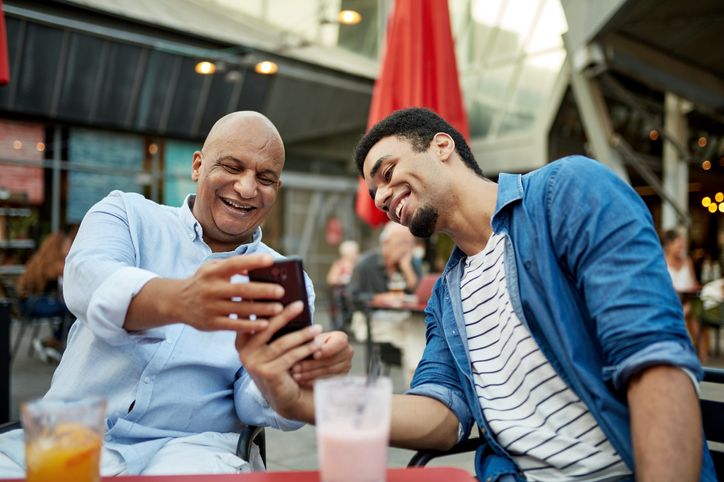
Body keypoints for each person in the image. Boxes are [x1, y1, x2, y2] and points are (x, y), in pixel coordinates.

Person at [235, 107, 715, 482]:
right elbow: (443, 416)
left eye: (386, 171)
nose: (381, 199)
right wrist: (298, 402)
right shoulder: (446, 296)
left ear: (442, 146)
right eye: (375, 192)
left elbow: (654, 358)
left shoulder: (565, 194)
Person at [0, 111, 352, 477]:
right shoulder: (128, 214)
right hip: (67, 435)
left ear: (275, 190)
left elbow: (253, 401)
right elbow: (84, 281)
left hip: (191, 448)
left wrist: (294, 379)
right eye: (232, 167)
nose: (247, 189)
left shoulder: (282, 278)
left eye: (265, 178)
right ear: (198, 166)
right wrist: (179, 301)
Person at [16, 230, 74, 362]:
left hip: (27, 304)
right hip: (35, 304)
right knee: (72, 309)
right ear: (58, 247)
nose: (70, 248)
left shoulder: (39, 261)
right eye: (67, 245)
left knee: (67, 308)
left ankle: (53, 342)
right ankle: (54, 342)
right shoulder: (56, 266)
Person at [348, 221, 421, 305]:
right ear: (385, 242)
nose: (406, 248)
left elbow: (420, 295)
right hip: (373, 315)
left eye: (410, 243)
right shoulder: (365, 264)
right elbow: (352, 296)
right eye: (401, 242)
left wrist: (407, 268)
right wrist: (382, 298)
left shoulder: (410, 263)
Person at [663, 228, 706, 361]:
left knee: (693, 309)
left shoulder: (687, 261)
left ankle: (700, 354)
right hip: (669, 300)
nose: (682, 249)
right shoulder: (662, 261)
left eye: (683, 246)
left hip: (687, 300)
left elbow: (693, 283)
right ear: (669, 244)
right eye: (679, 245)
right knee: (684, 310)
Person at [326, 240, 359, 332]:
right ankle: (343, 323)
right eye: (353, 252)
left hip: (355, 291)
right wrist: (343, 279)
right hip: (343, 292)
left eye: (356, 252)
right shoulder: (339, 264)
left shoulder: (359, 264)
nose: (355, 254)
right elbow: (331, 279)